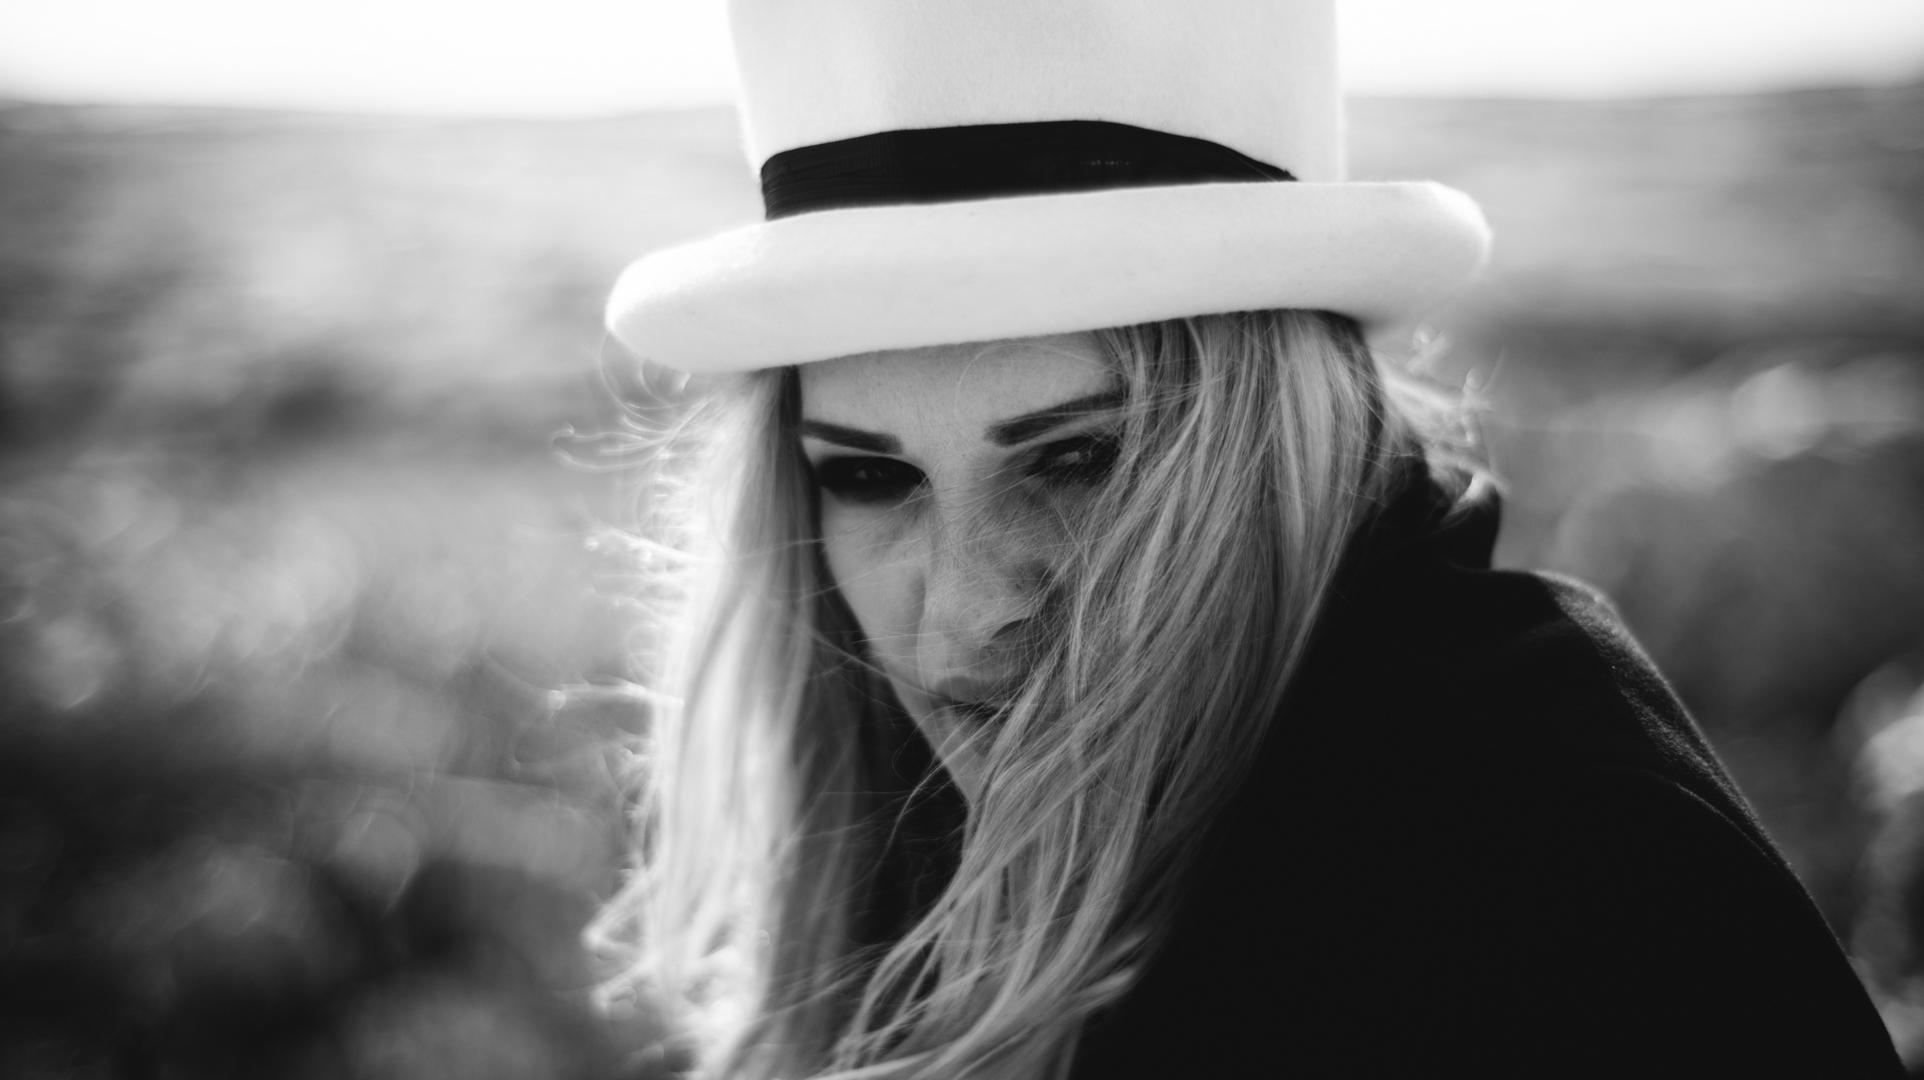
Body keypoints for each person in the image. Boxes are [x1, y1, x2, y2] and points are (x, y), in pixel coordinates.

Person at [588, 1, 1905, 1077]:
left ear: (1276, 440)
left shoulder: (1566, 891)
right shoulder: (890, 831)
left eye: (1079, 459)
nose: (960, 618)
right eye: (872, 478)